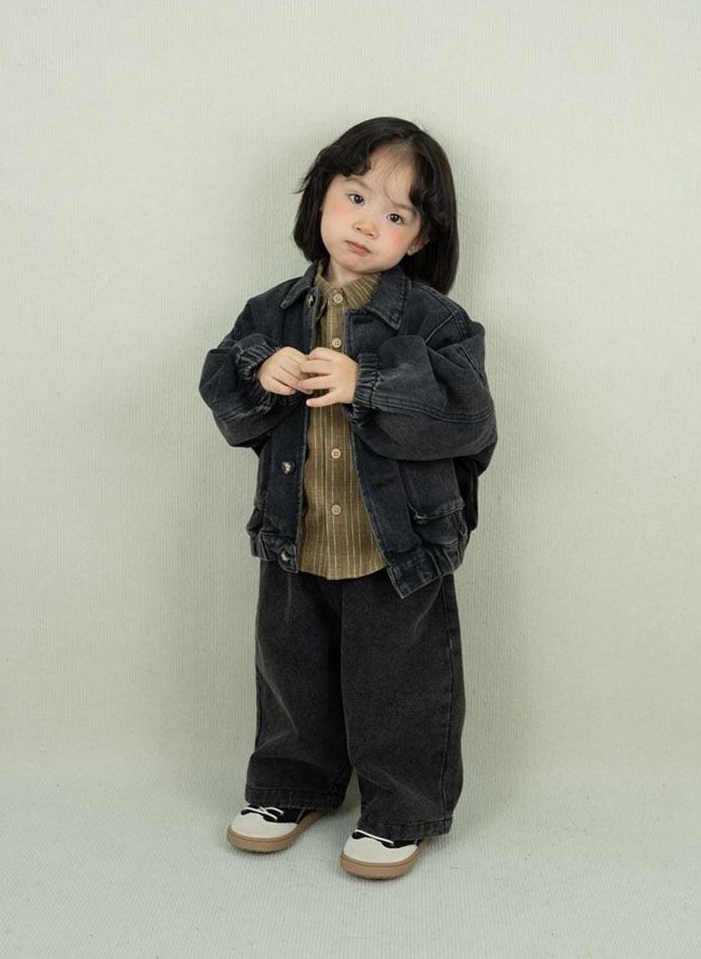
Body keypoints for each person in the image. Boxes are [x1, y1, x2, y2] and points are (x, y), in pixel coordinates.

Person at [198, 116, 498, 880]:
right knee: (291, 668)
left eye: (397, 214)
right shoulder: (270, 312)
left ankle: (401, 809)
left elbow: (469, 420)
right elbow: (228, 398)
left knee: (401, 681)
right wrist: (260, 373)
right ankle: (291, 787)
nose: (368, 223)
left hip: (398, 545)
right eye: (356, 196)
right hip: (294, 534)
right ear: (321, 198)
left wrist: (370, 383)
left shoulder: (436, 322)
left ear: (421, 238)